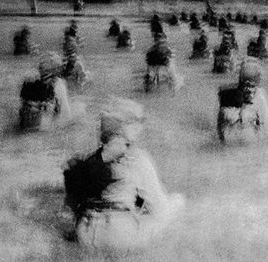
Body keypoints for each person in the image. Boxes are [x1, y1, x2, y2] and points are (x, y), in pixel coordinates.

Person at [63, 99, 185, 250]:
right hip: (119, 236)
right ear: (128, 129)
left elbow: (75, 202)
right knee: (177, 202)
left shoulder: (93, 158)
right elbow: (159, 208)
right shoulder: (138, 158)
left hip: (85, 233)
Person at [217, 58, 268, 143]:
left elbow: (266, 127)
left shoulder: (260, 97)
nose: (247, 89)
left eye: (250, 86)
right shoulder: (226, 95)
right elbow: (220, 126)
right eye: (245, 86)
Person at [19, 52, 72, 131]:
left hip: (34, 123)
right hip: (42, 124)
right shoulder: (58, 84)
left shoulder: (32, 82)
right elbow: (66, 115)